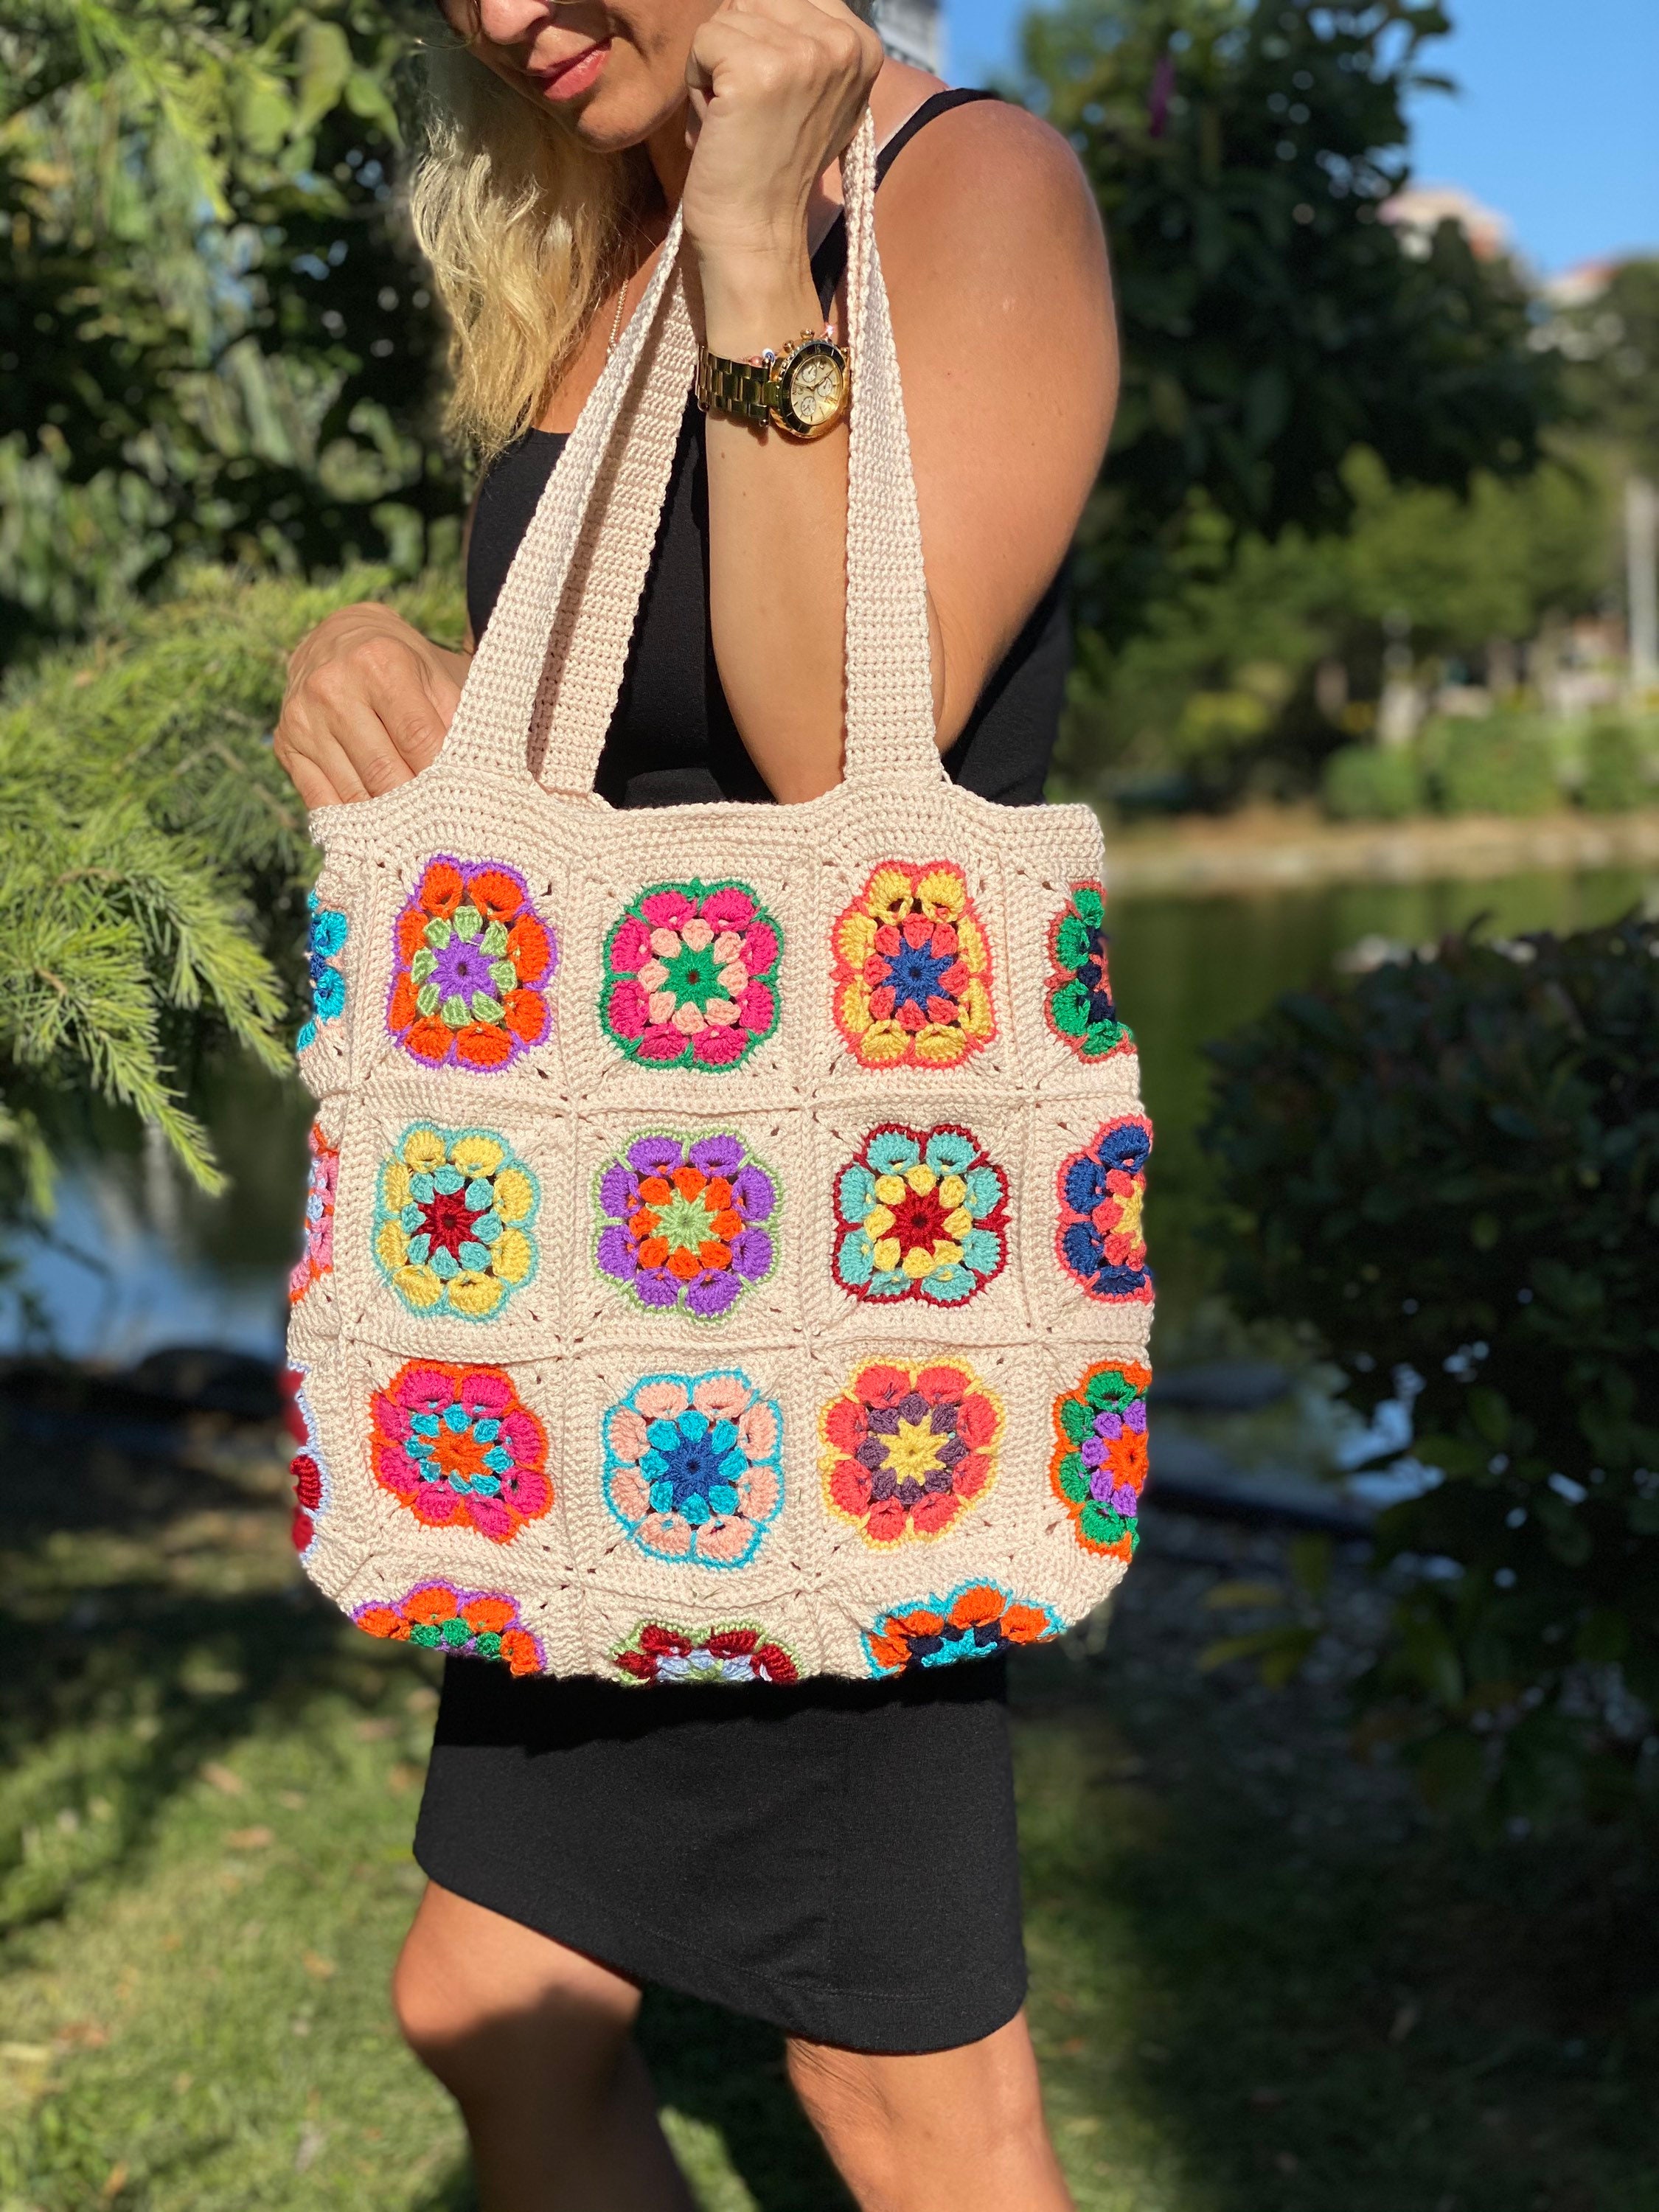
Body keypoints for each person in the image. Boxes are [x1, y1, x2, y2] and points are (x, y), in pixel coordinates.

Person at [274, 0, 1117, 2201]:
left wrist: (761, 254)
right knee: (486, 1999)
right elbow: (625, 764)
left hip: (822, 1297)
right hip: (594, 1300)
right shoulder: (612, 255)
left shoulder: (963, 194)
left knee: (908, 2099)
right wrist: (365, 653)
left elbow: (842, 764)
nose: (500, 15)